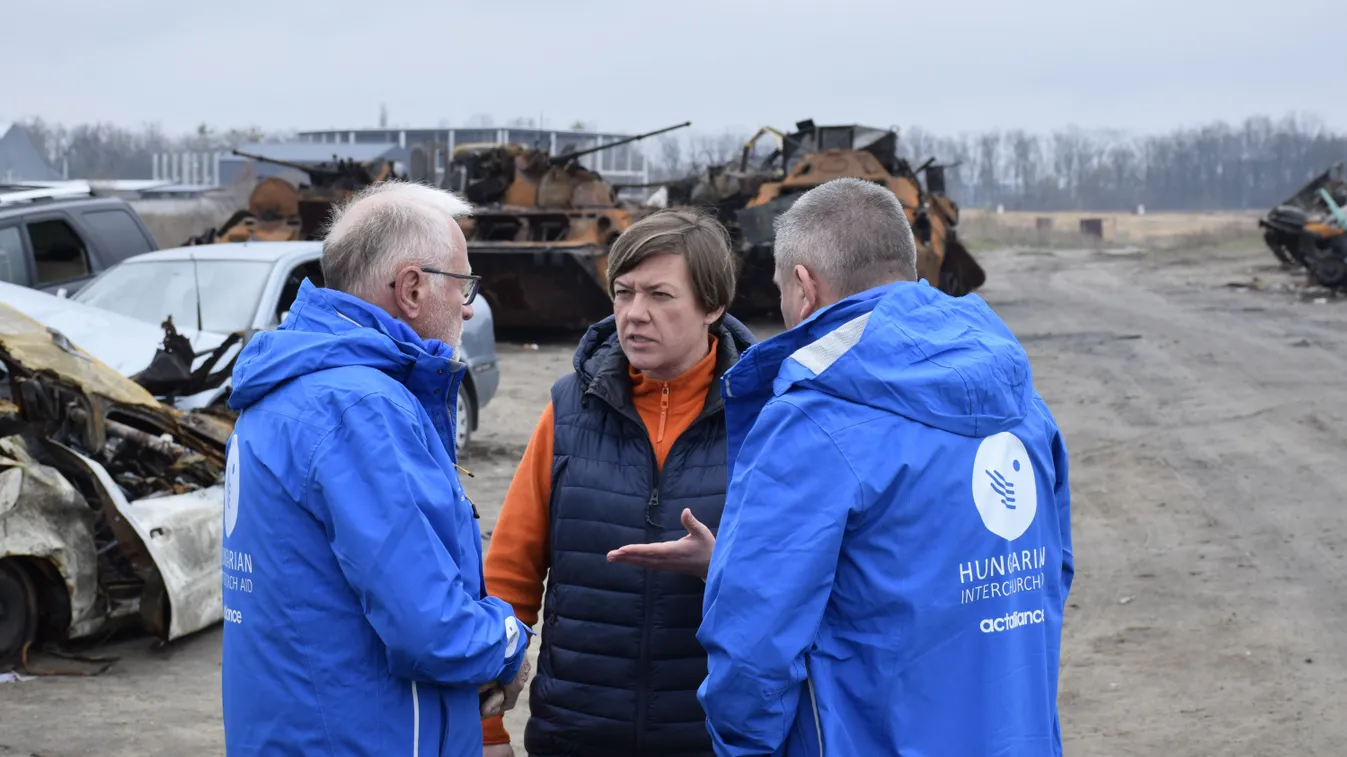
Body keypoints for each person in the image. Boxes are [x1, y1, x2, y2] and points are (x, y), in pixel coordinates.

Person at [695, 177, 1074, 756]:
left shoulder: (812, 421)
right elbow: (1051, 575)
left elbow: (753, 648)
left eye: (779, 288)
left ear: (804, 286)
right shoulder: (1022, 403)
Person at [220, 181, 531, 757]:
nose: (467, 306)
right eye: (462, 284)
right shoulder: (361, 408)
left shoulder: (291, 386)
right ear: (412, 287)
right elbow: (432, 628)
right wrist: (508, 642)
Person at [480, 208, 756, 757]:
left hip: (715, 740)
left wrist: (723, 567)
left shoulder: (766, 419)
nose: (635, 315)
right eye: (624, 292)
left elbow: (811, 591)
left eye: (660, 295)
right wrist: (487, 732)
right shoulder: (568, 408)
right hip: (574, 736)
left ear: (714, 306)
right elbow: (508, 578)